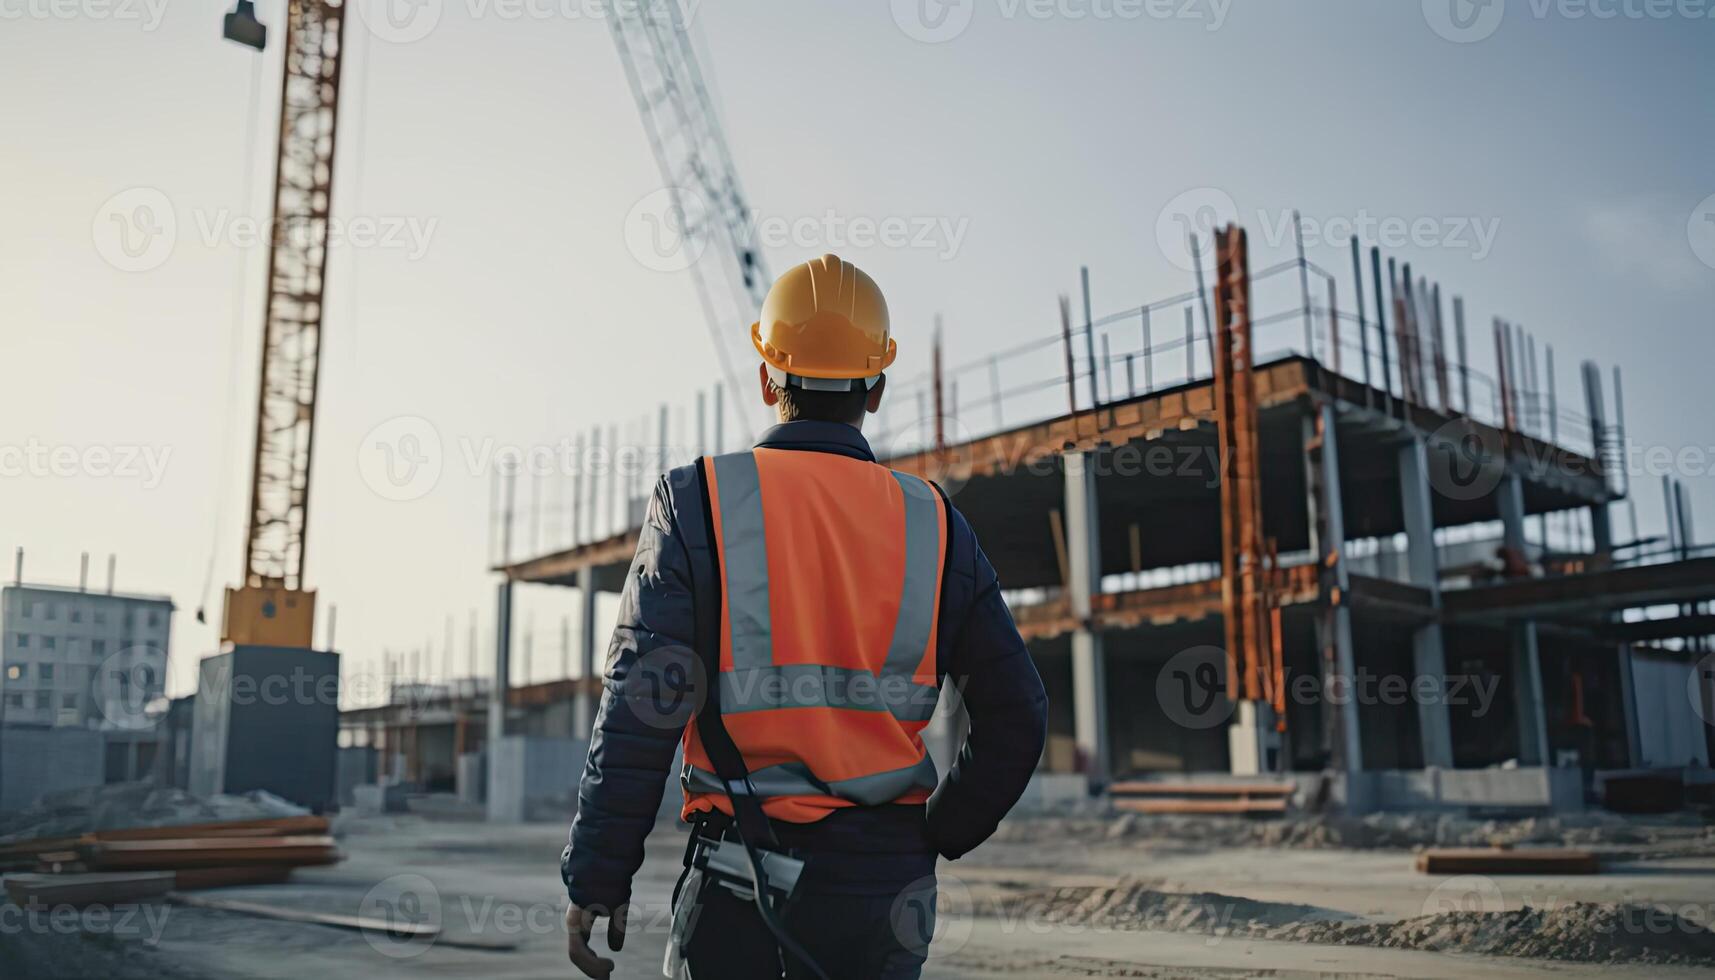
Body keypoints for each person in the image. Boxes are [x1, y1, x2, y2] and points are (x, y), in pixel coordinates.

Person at [562, 254, 1048, 979]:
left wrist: (599, 878)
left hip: (737, 879)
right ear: (875, 389)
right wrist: (936, 832)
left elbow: (642, 703)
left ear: (767, 377)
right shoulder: (935, 523)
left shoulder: (698, 500)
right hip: (884, 889)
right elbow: (1017, 714)